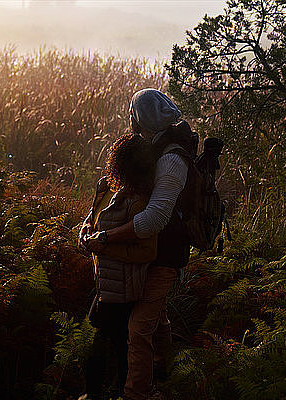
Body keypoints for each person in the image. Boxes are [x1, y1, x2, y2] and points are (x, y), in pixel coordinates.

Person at [82, 89, 190, 400]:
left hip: (165, 255)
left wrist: (105, 239)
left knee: (138, 329)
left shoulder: (171, 158)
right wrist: (89, 224)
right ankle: (162, 367)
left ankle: (137, 392)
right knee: (157, 317)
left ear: (138, 119)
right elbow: (111, 193)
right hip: (145, 252)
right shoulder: (147, 149)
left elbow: (154, 219)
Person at [79, 133, 158, 400]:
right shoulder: (107, 188)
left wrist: (104, 247)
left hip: (123, 290)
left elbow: (148, 251)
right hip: (104, 283)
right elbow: (93, 219)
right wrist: (85, 231)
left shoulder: (137, 202)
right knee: (109, 342)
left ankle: (97, 394)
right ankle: (106, 392)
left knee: (102, 342)